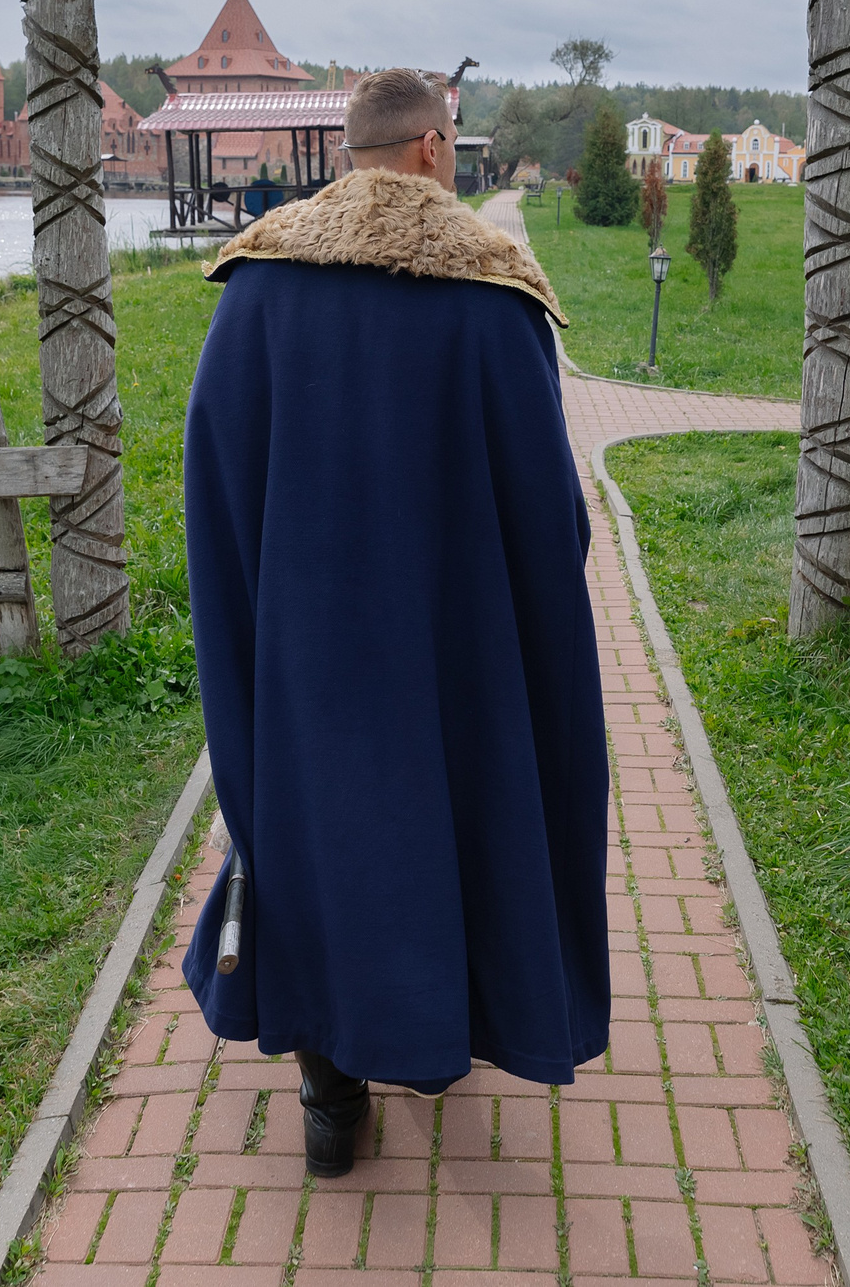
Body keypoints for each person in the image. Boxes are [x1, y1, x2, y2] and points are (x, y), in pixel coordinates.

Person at [181, 68, 610, 1178]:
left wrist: (258, 626)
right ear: (430, 150)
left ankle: (329, 1101)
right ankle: (426, 1045)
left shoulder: (258, 288)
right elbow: (548, 511)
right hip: (454, 642)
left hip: (307, 646)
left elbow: (216, 493)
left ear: (348, 153)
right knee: (446, 828)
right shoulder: (494, 293)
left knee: (316, 836)